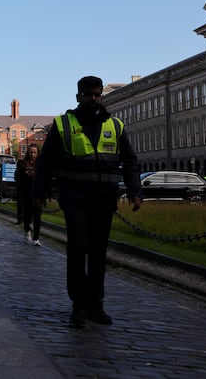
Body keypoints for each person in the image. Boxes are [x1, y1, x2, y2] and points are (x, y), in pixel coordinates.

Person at [32, 75, 142, 327]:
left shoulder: (115, 125)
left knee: (98, 252)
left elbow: (131, 160)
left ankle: (96, 304)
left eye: (97, 94)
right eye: (89, 94)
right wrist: (38, 193)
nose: (94, 99)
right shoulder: (62, 124)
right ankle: (78, 306)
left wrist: (135, 190)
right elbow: (46, 162)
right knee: (78, 248)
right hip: (75, 197)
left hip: (104, 198)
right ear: (78, 96)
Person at [16, 144, 41, 245]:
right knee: (27, 215)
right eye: (31, 152)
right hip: (26, 193)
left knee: (38, 216)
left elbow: (44, 178)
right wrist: (25, 175)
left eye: (35, 152)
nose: (33, 154)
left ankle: (36, 238)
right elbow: (17, 178)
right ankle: (28, 231)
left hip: (38, 193)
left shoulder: (41, 164)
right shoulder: (22, 163)